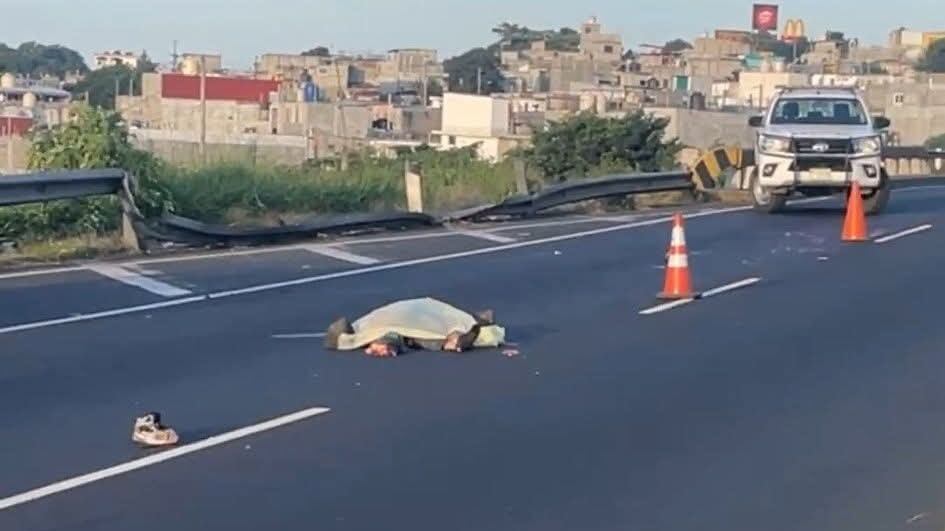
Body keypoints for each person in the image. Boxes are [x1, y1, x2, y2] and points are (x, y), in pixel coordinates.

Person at [324, 298, 505, 357]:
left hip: (391, 321)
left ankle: (387, 341)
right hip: (418, 319)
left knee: (404, 332)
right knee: (423, 334)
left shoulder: (362, 323)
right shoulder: (458, 316)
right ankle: (453, 341)